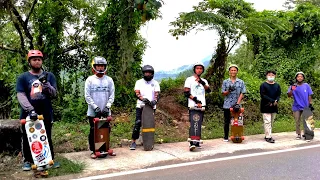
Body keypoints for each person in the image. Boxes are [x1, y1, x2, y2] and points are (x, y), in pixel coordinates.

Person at [16, 50, 59, 171]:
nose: (37, 61)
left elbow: (54, 94)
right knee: (27, 136)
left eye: (39, 59)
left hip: (46, 111)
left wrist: (45, 83)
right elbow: (21, 95)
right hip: (28, 113)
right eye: (34, 59)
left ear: (42, 61)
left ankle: (49, 159)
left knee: (46, 136)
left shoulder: (49, 75)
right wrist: (30, 110)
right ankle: (28, 161)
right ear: (29, 62)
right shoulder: (23, 77)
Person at [85, 56, 115, 158]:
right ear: (94, 67)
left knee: (106, 130)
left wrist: (108, 107)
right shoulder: (90, 80)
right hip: (93, 111)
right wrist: (95, 108)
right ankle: (94, 150)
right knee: (94, 130)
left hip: (106, 110)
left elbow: (112, 95)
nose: (100, 68)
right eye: (98, 66)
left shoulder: (109, 80)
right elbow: (87, 96)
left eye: (102, 66)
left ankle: (105, 148)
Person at [130, 65, 160, 150]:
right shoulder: (139, 82)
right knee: (138, 122)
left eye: (149, 73)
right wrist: (142, 99)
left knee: (149, 124)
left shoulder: (155, 83)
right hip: (141, 105)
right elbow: (137, 93)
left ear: (152, 74)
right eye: (146, 73)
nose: (148, 74)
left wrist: (155, 100)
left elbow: (157, 94)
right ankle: (133, 142)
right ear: (143, 73)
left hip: (151, 107)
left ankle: (149, 141)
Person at [184, 62, 211, 151]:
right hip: (193, 104)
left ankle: (197, 141)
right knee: (193, 122)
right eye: (197, 68)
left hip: (202, 105)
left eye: (201, 68)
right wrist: (196, 100)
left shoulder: (204, 81)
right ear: (194, 69)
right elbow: (186, 93)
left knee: (199, 123)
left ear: (202, 70)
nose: (199, 70)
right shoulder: (189, 79)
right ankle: (192, 143)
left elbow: (209, 90)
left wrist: (202, 82)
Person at [221, 64, 246, 142]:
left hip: (237, 104)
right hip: (227, 104)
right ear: (229, 72)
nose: (233, 71)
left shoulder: (241, 82)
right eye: (231, 70)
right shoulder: (225, 82)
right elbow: (223, 93)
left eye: (235, 70)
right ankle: (226, 136)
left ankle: (237, 135)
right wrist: (228, 91)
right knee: (227, 121)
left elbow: (243, 92)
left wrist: (238, 103)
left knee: (238, 121)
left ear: (237, 71)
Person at [287, 72, 314, 141]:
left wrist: (310, 103)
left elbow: (309, 95)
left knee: (307, 121)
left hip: (306, 105)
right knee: (297, 121)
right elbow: (289, 95)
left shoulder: (306, 85)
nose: (300, 78)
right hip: (296, 106)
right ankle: (298, 134)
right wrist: (292, 89)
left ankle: (307, 135)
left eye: (301, 76)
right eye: (298, 76)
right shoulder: (294, 86)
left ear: (303, 78)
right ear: (296, 78)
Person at [260, 70, 281, 143]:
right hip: (265, 105)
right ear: (266, 76)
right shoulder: (263, 85)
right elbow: (263, 95)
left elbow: (278, 95)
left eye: (272, 75)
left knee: (271, 122)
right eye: (269, 75)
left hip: (274, 106)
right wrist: (272, 101)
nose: (271, 76)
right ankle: (268, 137)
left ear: (275, 76)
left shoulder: (277, 85)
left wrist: (276, 101)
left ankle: (268, 134)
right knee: (267, 121)